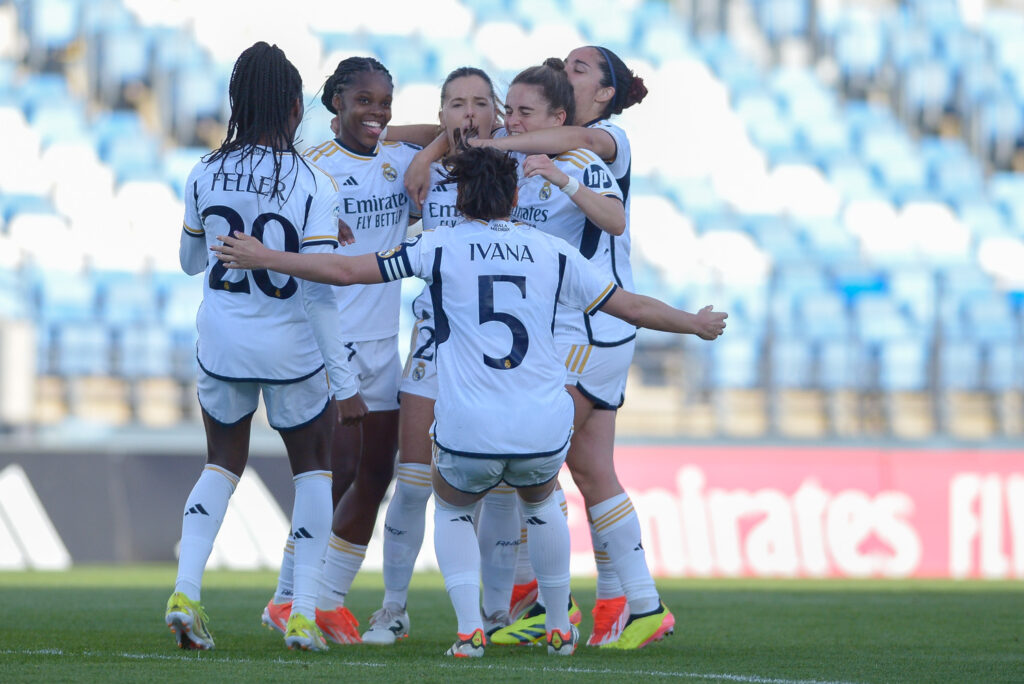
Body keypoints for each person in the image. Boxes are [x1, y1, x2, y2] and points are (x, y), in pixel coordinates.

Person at [212, 145, 727, 658]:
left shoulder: (437, 246)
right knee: (542, 501)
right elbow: (631, 306)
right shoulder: (552, 250)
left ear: (459, 197)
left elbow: (347, 272)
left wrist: (267, 257)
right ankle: (557, 626)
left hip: (469, 424)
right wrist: (694, 324)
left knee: (453, 508)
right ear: (517, 195)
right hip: (543, 421)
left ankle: (468, 631)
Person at [164, 41, 365, 654]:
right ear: (293, 105)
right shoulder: (313, 181)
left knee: (221, 462)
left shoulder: (204, 171)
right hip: (291, 348)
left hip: (223, 340)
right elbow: (321, 292)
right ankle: (302, 613)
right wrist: (346, 381)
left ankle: (185, 590)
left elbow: (189, 261)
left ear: (236, 101)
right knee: (313, 471)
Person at [472, 47, 664, 650]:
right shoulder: (540, 149)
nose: (568, 68)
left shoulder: (601, 144)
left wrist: (488, 146)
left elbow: (608, 213)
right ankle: (633, 605)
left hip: (591, 330)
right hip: (583, 332)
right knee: (590, 470)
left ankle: (542, 606)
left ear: (605, 93)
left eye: (582, 68)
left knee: (527, 462)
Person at [259, 56, 421, 647]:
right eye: (364, 101)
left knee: (377, 472)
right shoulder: (313, 171)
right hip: (333, 340)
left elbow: (440, 136)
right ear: (335, 102)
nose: (376, 112)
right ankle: (286, 597)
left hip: (384, 340)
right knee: (338, 470)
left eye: (385, 102)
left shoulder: (399, 160)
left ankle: (324, 600)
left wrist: (409, 143)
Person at [360, 66, 506, 645]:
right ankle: (393, 607)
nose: (469, 113)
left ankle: (495, 615)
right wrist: (433, 150)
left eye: (480, 103)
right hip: (434, 339)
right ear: (440, 112)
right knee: (413, 479)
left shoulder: (516, 164)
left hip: (496, 352)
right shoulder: (418, 166)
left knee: (498, 489)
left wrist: (440, 144)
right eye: (455, 105)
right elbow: (385, 134)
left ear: (498, 112)